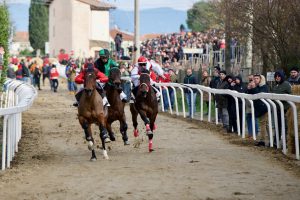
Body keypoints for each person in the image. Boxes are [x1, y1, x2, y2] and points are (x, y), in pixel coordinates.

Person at [247, 74, 269, 146]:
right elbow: (251, 94)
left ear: (260, 79)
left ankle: (263, 141)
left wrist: (253, 87)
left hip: (264, 108)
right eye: (254, 78)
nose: (255, 80)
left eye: (257, 78)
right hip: (259, 108)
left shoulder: (264, 86)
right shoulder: (258, 86)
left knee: (263, 124)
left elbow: (258, 94)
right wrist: (249, 88)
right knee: (266, 124)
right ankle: (270, 140)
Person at [272, 70, 291, 146]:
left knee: (285, 126)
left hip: (285, 109)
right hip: (277, 109)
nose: (277, 77)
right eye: (276, 76)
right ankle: (276, 141)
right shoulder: (275, 85)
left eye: (279, 76)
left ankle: (286, 142)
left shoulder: (286, 84)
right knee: (277, 125)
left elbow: (291, 95)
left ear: (282, 77)